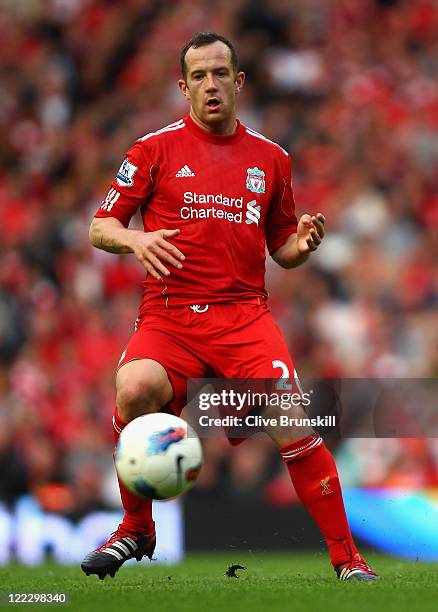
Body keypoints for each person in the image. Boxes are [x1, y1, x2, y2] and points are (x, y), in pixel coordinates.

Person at [81, 32, 379, 582]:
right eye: (199, 76)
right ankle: (134, 527)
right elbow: (101, 227)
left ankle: (348, 560)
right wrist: (135, 241)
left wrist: (303, 245)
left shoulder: (273, 159)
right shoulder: (152, 150)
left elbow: (281, 249)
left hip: (244, 316)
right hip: (170, 315)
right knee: (133, 387)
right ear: (183, 87)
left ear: (238, 82)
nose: (211, 84)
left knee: (293, 421)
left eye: (221, 73)